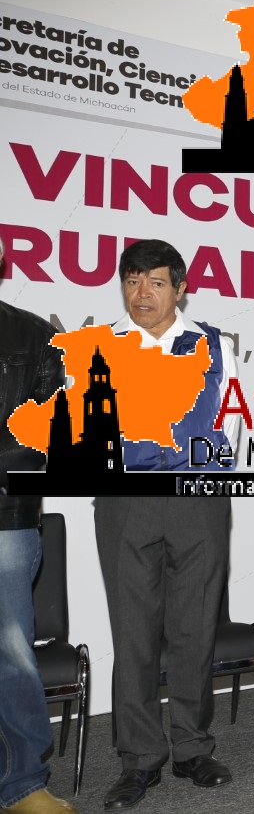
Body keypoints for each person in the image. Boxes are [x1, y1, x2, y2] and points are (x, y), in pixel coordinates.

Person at [95, 240, 239, 809]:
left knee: (194, 627)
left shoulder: (213, 344)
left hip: (196, 500)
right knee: (132, 632)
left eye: (155, 282)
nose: (142, 293)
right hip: (127, 503)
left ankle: (192, 748)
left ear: (180, 289)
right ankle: (138, 758)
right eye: (132, 281)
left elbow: (230, 418)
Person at [1, 236, 76, 814]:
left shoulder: (32, 335)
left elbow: (44, 435)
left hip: (5, 518)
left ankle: (23, 783)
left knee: (12, 655)